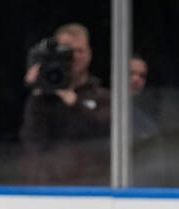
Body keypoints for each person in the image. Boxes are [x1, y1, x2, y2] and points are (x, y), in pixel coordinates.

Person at [19, 22, 111, 185]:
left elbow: (105, 135)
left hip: (93, 191)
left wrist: (75, 103)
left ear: (89, 54)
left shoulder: (103, 97)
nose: (75, 56)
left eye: (80, 51)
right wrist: (37, 93)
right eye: (67, 51)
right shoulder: (41, 98)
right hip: (47, 189)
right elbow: (31, 143)